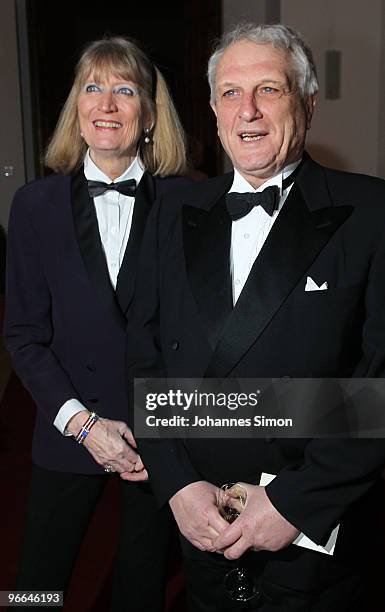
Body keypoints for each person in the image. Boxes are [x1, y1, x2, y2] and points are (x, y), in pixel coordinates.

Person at [126, 23, 385, 612]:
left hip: (314, 539)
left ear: (309, 103)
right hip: (200, 526)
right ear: (214, 111)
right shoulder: (173, 214)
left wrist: (297, 502)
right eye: (230, 93)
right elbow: (143, 354)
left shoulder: (372, 214)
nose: (248, 111)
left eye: (269, 89)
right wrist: (177, 485)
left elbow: (378, 380)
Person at [4, 36, 188, 611]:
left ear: (150, 115)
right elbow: (24, 336)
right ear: (76, 112)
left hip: (156, 433)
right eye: (93, 87)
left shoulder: (189, 203)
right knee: (36, 583)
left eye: (125, 90)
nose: (107, 103)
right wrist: (84, 426)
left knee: (143, 587)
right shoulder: (35, 205)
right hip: (71, 423)